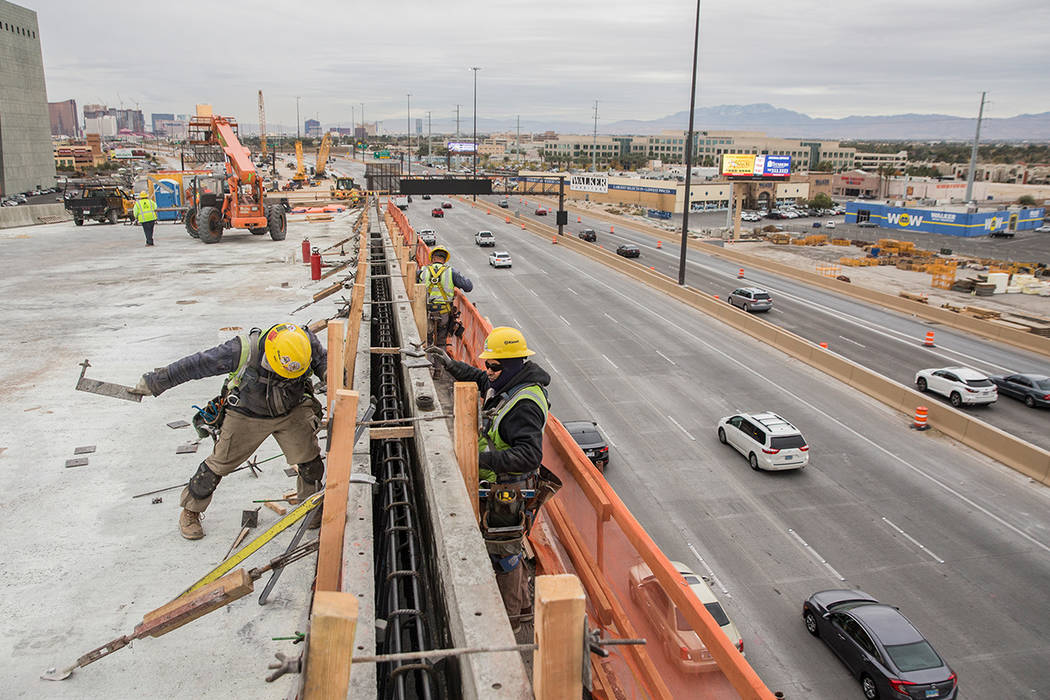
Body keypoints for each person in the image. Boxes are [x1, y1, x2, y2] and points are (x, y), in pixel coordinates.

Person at [129, 323, 327, 540]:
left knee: (310, 462)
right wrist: (157, 381)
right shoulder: (243, 350)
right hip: (247, 413)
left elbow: (325, 363)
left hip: (292, 408)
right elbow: (197, 364)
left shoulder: (305, 342)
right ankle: (190, 511)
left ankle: (311, 507)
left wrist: (330, 375)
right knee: (218, 465)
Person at [427, 327, 552, 624]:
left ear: (510, 365)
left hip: (509, 492)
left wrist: (478, 458)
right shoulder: (508, 383)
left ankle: (508, 622)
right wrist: (449, 363)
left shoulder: (524, 404)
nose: (489, 370)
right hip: (500, 487)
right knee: (511, 550)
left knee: (504, 554)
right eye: (488, 364)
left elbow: (529, 456)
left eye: (494, 365)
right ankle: (521, 608)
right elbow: (482, 380)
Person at [417, 246, 473, 354]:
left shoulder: (423, 271)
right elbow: (468, 286)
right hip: (444, 313)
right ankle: (439, 367)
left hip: (427, 311)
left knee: (427, 340)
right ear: (445, 259)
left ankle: (427, 364)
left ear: (432, 258)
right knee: (441, 342)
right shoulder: (451, 272)